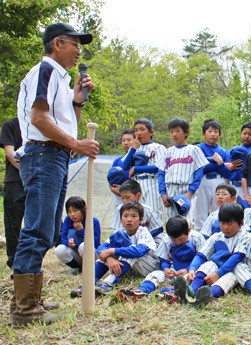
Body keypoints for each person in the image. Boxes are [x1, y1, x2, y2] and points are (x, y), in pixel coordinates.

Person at [13, 22, 99, 326]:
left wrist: (76, 99)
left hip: (55, 156)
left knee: (48, 231)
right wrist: (76, 144)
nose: (79, 51)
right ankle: (23, 308)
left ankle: (32, 299)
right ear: (58, 43)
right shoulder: (46, 70)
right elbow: (38, 118)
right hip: (42, 154)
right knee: (37, 229)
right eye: (75, 44)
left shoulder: (60, 79)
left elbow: (64, 122)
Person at [71, 202, 157, 297]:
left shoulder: (143, 232)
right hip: (130, 268)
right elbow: (101, 248)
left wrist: (112, 251)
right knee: (107, 252)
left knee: (130, 251)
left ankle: (108, 284)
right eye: (125, 216)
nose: (129, 219)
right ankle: (88, 283)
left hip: (147, 267)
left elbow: (139, 251)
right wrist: (109, 258)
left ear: (140, 220)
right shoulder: (119, 231)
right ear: (121, 219)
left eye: (133, 216)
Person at [174, 203, 251, 306]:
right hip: (218, 269)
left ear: (241, 223)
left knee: (229, 276)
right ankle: (191, 292)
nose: (225, 227)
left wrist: (218, 274)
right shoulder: (217, 236)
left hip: (237, 272)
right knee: (209, 264)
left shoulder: (245, 236)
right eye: (222, 223)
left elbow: (236, 258)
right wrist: (192, 269)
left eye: (229, 224)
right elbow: (201, 255)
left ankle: (208, 296)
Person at [115, 215, 205, 302]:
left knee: (188, 280)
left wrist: (187, 270)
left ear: (189, 230)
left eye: (181, 239)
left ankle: (173, 292)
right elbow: (163, 259)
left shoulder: (196, 238)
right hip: (173, 272)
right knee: (156, 274)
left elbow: (202, 259)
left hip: (191, 272)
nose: (177, 242)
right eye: (174, 240)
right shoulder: (166, 240)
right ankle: (142, 291)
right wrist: (165, 269)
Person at [158, 117, 209, 221]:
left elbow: (199, 173)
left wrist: (190, 193)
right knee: (170, 223)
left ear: (186, 132)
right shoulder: (167, 152)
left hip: (186, 189)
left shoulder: (194, 149)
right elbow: (161, 174)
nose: (174, 134)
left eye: (177, 131)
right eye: (171, 131)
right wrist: (163, 194)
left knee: (187, 222)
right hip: (170, 190)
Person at [120, 118, 166, 219]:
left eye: (142, 129)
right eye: (136, 130)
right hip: (136, 184)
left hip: (152, 182)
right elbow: (124, 166)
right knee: (135, 213)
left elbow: (158, 167)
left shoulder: (159, 147)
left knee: (153, 213)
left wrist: (137, 168)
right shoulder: (134, 148)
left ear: (151, 132)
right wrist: (133, 149)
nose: (138, 133)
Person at [195, 119, 233, 232]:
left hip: (219, 181)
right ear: (203, 134)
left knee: (220, 209)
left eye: (216, 131)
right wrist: (219, 163)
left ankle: (219, 232)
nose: (213, 134)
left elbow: (227, 173)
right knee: (201, 211)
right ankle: (200, 235)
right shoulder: (198, 149)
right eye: (210, 131)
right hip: (202, 181)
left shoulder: (223, 151)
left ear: (219, 134)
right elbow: (201, 167)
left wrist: (221, 163)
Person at [0, 117, 25, 269]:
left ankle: (30, 259)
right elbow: (10, 154)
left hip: (38, 182)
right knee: (12, 224)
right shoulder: (11, 125)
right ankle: (14, 261)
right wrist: (28, 171)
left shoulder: (43, 125)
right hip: (15, 181)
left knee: (38, 223)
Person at [54, 196, 101, 273]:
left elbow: (96, 243)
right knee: (59, 249)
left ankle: (90, 268)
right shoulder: (68, 220)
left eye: (75, 211)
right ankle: (77, 268)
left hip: (91, 255)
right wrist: (68, 243)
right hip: (76, 253)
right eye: (69, 212)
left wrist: (81, 230)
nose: (72, 214)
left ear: (83, 210)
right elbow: (63, 238)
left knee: (83, 246)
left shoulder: (93, 221)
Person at [110, 180, 164, 247]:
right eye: (122, 198)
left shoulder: (147, 210)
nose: (124, 201)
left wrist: (144, 238)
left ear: (138, 195)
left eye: (127, 197)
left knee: (162, 238)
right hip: (126, 242)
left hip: (146, 242)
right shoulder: (119, 209)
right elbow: (117, 231)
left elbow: (159, 228)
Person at [229, 122, 251, 199]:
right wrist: (231, 166)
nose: (247, 136)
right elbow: (227, 166)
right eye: (244, 134)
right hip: (236, 185)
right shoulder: (235, 150)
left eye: (250, 134)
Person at [106, 129, 134, 209]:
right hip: (118, 197)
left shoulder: (137, 158)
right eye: (123, 140)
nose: (126, 143)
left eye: (129, 140)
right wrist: (112, 188)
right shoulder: (118, 160)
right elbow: (111, 178)